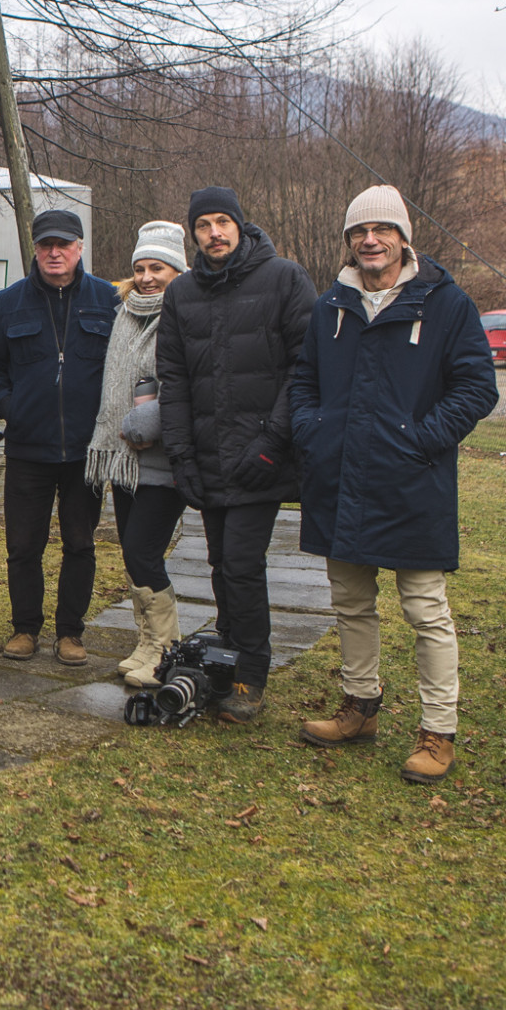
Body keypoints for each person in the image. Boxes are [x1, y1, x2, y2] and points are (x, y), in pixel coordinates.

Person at [291, 186, 498, 783]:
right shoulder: (332, 303)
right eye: (359, 232)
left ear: (404, 237)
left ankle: (438, 731)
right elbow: (303, 381)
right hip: (340, 478)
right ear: (350, 242)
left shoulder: (446, 303)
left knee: (426, 610)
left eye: (382, 229)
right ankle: (360, 708)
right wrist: (314, 431)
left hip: (412, 481)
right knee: (351, 602)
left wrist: (420, 439)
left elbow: (477, 388)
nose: (370, 240)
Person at [156, 186, 315, 723]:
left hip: (262, 456)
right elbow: (173, 379)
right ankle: (226, 656)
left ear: (241, 227)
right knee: (221, 564)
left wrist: (273, 442)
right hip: (206, 457)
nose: (214, 233)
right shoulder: (182, 294)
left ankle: (251, 676)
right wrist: (180, 456)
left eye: (223, 222)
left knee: (243, 564)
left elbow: (306, 369)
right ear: (194, 234)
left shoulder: (284, 279)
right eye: (204, 225)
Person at [0, 208, 118, 667]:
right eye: (45, 245)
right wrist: (10, 407)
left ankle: (70, 633)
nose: (55, 253)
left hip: (85, 449)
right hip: (28, 449)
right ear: (34, 250)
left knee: (80, 542)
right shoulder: (10, 302)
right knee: (23, 544)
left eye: (64, 245)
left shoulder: (109, 300)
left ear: (79, 249)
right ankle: (25, 629)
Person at [83, 220, 190, 687]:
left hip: (164, 461)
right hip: (125, 460)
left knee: (145, 551)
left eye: (158, 268)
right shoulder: (125, 314)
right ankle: (146, 642)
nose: (147, 277)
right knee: (133, 553)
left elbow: (192, 384)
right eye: (141, 268)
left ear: (177, 271)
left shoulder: (187, 316)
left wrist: (149, 421)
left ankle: (166, 647)